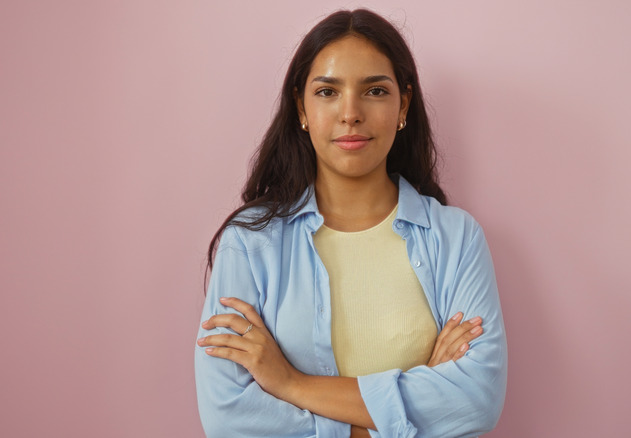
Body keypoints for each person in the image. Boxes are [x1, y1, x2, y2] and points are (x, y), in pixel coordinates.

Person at [195, 9, 507, 438]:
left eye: (375, 91)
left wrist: (291, 383)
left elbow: (476, 400)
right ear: (301, 107)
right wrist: (410, 410)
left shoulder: (456, 238)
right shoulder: (249, 243)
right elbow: (228, 419)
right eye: (327, 91)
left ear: (403, 105)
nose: (350, 113)